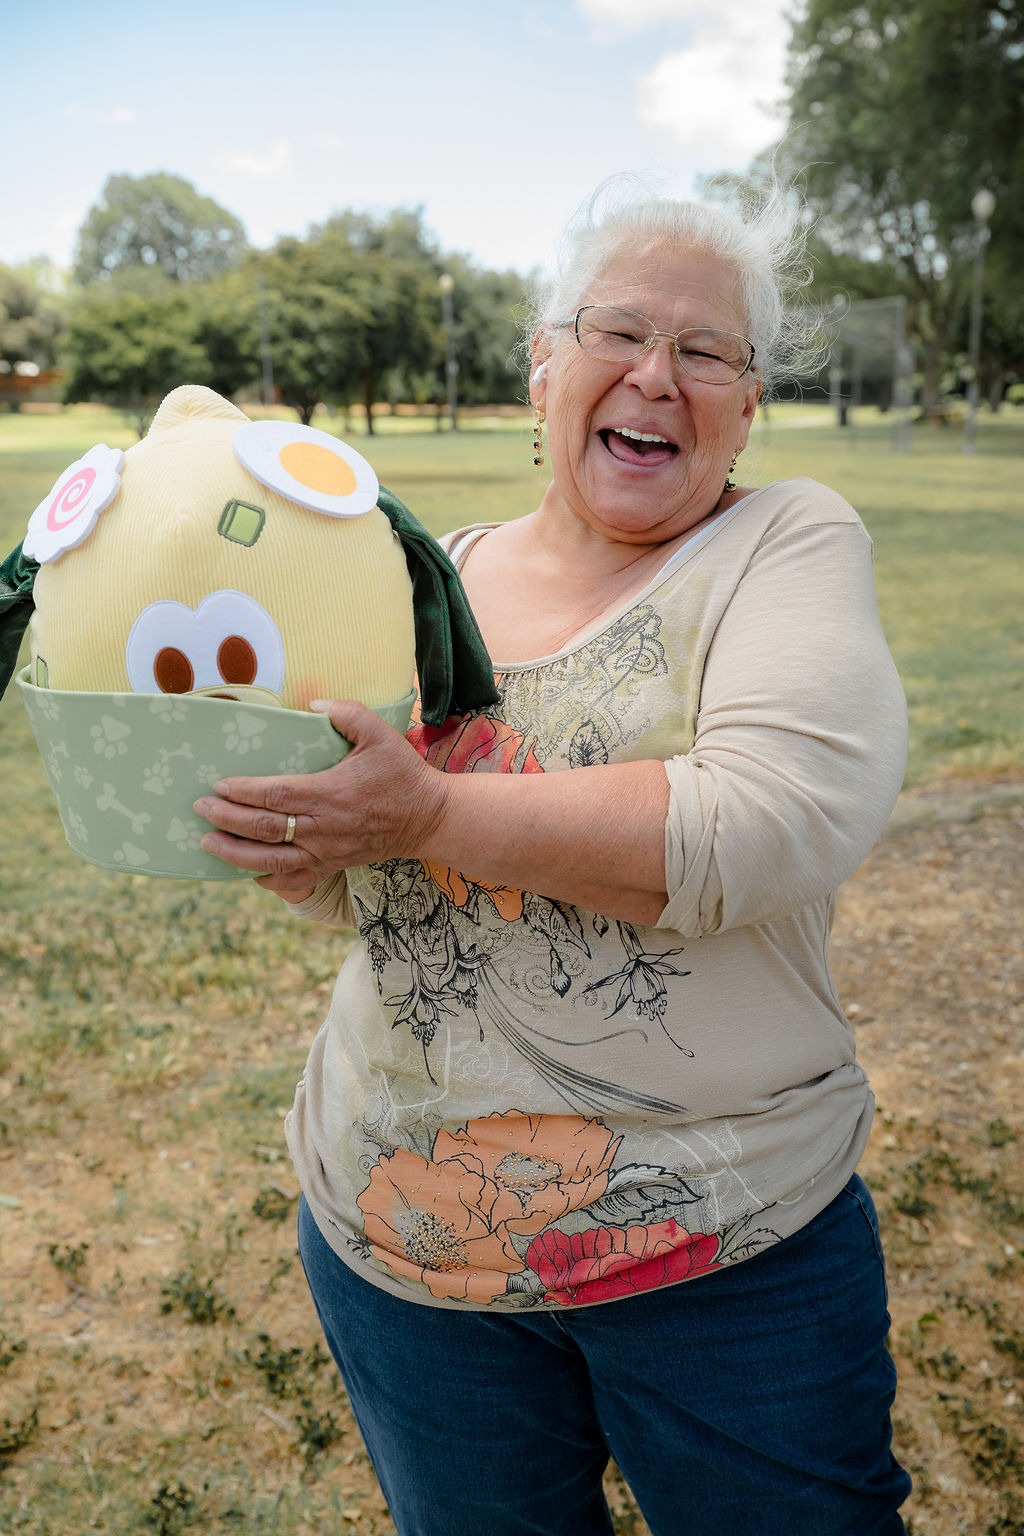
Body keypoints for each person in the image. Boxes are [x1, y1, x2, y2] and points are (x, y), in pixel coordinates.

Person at [194, 179, 912, 1536]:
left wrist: (428, 818)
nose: (657, 374)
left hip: (720, 1259)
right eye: (618, 333)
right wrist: (308, 853)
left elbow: (769, 820)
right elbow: (378, 890)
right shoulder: (426, 575)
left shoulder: (783, 541)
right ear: (543, 366)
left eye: (706, 352)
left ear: (748, 402)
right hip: (403, 1259)